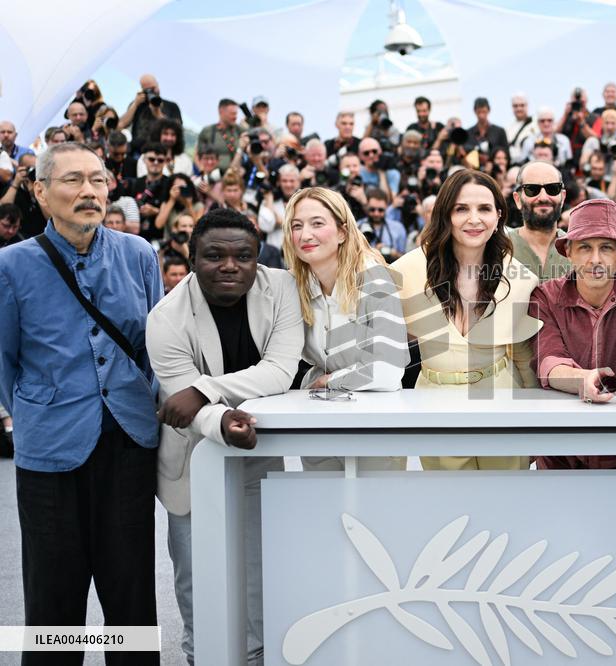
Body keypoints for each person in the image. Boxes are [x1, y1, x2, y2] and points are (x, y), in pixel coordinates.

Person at [0, 142, 162, 665]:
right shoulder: (11, 265)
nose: (88, 191)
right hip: (50, 448)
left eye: (97, 179)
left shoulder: (138, 254)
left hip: (129, 441)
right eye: (72, 180)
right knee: (53, 597)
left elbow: (153, 348)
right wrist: (29, 413)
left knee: (131, 594)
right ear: (41, 193)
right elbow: (3, 359)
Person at [146, 208, 303, 666]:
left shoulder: (284, 289)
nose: (230, 265)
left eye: (243, 255)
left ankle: (254, 658)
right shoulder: (165, 319)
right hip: (192, 457)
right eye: (214, 255)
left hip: (257, 452)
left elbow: (280, 370)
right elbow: (180, 409)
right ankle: (201, 653)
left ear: (258, 258)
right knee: (197, 574)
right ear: (192, 258)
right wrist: (217, 420)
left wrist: (203, 390)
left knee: (257, 571)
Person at [391, 169, 541, 471]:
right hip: (433, 405)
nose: (474, 219)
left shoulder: (522, 279)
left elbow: (525, 358)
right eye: (461, 209)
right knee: (451, 512)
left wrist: (535, 427)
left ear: (499, 215)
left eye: (484, 209)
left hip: (503, 404)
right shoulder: (405, 271)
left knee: (504, 508)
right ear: (445, 214)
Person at [532, 199, 616, 469]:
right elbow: (549, 360)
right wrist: (582, 379)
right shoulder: (546, 297)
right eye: (585, 247)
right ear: (568, 252)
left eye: (606, 247)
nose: (595, 259)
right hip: (560, 448)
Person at [283, 187, 409, 472]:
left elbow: (387, 372)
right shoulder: (296, 283)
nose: (305, 235)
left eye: (317, 223)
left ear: (342, 232)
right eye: (296, 226)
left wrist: (328, 380)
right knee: (323, 510)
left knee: (374, 513)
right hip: (319, 418)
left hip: (374, 424)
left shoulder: (373, 277)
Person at [509, 161, 572, 281]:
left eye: (552, 189)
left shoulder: (579, 249)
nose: (543, 198)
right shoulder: (500, 248)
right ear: (517, 199)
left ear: (563, 197)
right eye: (532, 189)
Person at [118, 73, 183, 155]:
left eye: (153, 88)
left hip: (162, 152)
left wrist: (158, 114)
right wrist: (135, 104)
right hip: (138, 152)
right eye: (147, 90)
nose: (151, 92)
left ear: (158, 86)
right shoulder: (137, 105)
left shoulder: (172, 106)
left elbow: (177, 129)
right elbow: (120, 125)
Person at [505, 93, 538, 164]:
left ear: (527, 106)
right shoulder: (508, 128)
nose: (519, 108)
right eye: (515, 106)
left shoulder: (537, 123)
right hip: (514, 163)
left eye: (522, 105)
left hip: (532, 162)